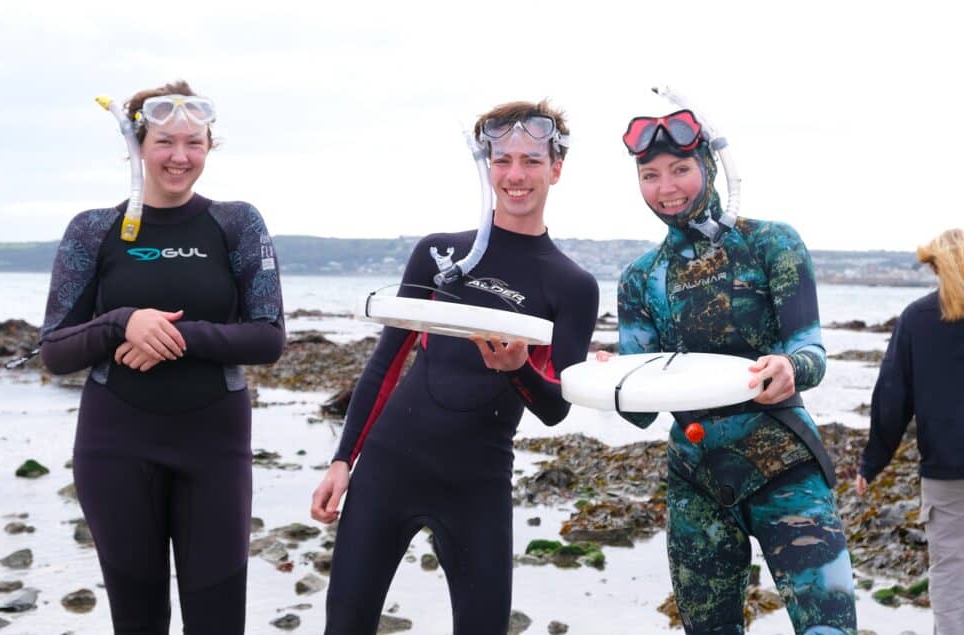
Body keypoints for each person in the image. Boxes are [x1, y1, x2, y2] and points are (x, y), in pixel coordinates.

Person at [309, 100, 599, 634]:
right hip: (386, 470)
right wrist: (342, 460)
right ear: (485, 164)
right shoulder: (437, 254)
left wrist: (516, 369)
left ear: (556, 169)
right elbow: (386, 363)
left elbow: (557, 407)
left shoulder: (572, 286)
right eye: (502, 159)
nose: (515, 176)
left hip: (477, 484)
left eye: (532, 161)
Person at [39, 80, 284, 634]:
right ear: (137, 145)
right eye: (165, 143)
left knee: (219, 619)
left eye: (194, 144)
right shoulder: (93, 230)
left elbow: (268, 337)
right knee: (138, 621)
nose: (180, 158)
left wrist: (171, 337)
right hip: (115, 448)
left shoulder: (236, 223)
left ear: (209, 147)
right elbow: (55, 350)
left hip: (214, 449)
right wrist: (125, 321)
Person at [609, 109, 857, 633]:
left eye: (679, 169)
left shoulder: (771, 244)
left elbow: (810, 350)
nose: (666, 188)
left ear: (708, 165)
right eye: (649, 176)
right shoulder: (640, 279)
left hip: (784, 469)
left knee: (829, 629)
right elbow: (638, 415)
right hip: (695, 481)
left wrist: (789, 367)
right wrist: (616, 382)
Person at [857, 228, 964, 634]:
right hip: (945, 474)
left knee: (952, 578)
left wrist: (872, 462)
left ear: (935, 266)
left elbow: (891, 400)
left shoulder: (917, 319)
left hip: (945, 475)